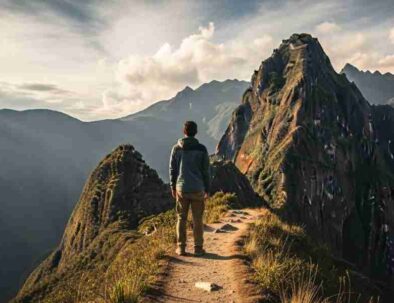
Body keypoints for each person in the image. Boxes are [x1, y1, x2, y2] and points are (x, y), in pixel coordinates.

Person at [169, 121, 210, 256]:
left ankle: (181, 248)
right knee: (198, 219)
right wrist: (207, 189)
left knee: (181, 218)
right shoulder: (202, 149)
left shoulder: (176, 148)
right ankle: (198, 248)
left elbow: (172, 169)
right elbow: (206, 171)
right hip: (198, 188)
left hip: (181, 188)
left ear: (184, 131)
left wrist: (173, 186)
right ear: (196, 132)